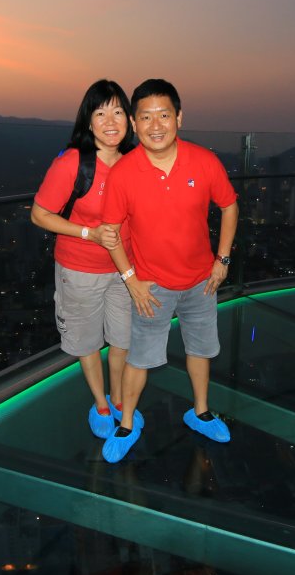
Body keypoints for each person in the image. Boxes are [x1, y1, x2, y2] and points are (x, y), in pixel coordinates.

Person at [99, 79, 239, 464]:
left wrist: (222, 260)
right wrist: (132, 282)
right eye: (146, 117)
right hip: (151, 286)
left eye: (164, 115)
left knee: (201, 350)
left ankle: (201, 411)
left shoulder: (204, 161)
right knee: (139, 358)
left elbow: (229, 206)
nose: (155, 125)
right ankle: (126, 424)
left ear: (179, 117)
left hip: (201, 282)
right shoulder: (124, 173)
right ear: (134, 121)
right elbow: (110, 235)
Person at [31, 80, 143, 440]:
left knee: (123, 341)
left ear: (129, 119)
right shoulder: (73, 163)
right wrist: (88, 233)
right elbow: (40, 214)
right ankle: (102, 405)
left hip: (125, 271)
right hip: (79, 270)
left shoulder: (135, 163)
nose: (110, 121)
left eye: (117, 112)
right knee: (87, 342)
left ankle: (123, 403)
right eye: (100, 112)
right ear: (88, 121)